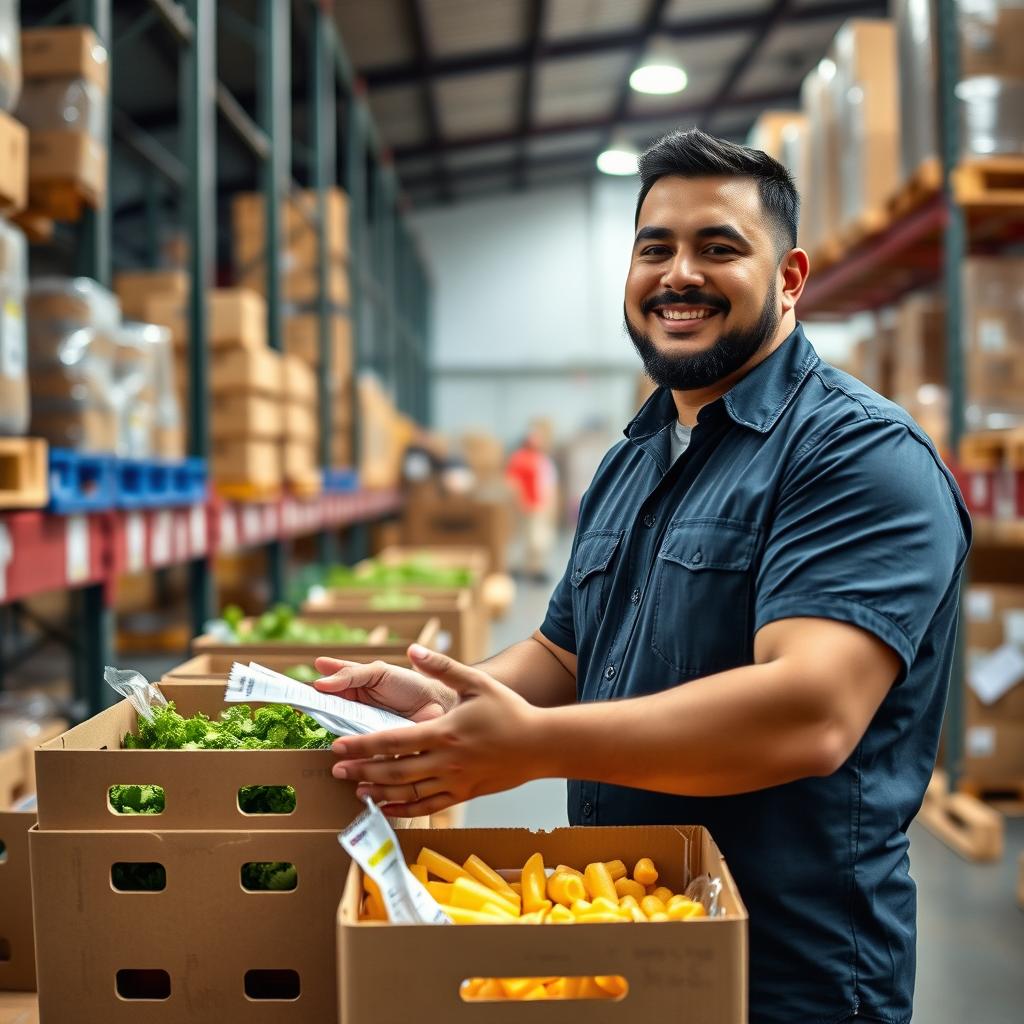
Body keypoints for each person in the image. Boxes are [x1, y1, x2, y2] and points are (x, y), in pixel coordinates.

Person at [314, 128, 970, 1024]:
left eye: (719, 247)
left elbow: (811, 709)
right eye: (654, 248)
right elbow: (567, 650)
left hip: (786, 975)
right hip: (629, 931)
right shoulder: (636, 456)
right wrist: (441, 695)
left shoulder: (856, 454)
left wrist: (533, 746)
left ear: (790, 278)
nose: (679, 274)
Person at [505, 425, 559, 582]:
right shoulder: (519, 459)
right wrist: (519, 502)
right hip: (524, 506)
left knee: (539, 539)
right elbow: (512, 483)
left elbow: (549, 483)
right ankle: (517, 569)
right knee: (521, 538)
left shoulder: (543, 460)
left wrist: (550, 505)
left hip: (539, 505)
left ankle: (536, 569)